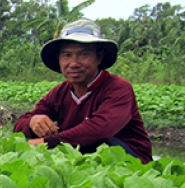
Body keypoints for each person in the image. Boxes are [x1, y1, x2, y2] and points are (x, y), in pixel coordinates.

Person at [13, 19, 153, 163]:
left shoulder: (118, 88)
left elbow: (99, 131)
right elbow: (19, 125)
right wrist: (32, 122)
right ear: (59, 59)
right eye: (67, 55)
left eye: (84, 54)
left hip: (132, 165)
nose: (74, 63)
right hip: (84, 162)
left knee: (101, 143)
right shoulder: (59, 92)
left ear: (99, 57)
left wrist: (47, 141)